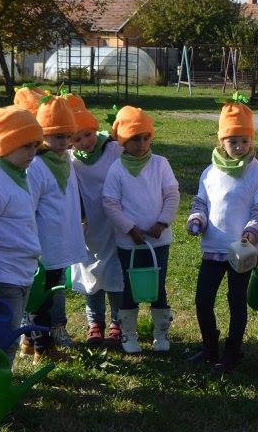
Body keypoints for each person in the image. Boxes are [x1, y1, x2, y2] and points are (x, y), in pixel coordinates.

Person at [186, 97, 258, 373]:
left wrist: (252, 232)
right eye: (233, 141)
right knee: (203, 299)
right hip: (213, 249)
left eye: (244, 141)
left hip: (243, 252)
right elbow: (201, 203)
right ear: (221, 141)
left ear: (252, 141)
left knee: (236, 301)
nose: (239, 147)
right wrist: (197, 219)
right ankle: (209, 346)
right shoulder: (209, 173)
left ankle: (232, 351)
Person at [102, 106, 180, 354]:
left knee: (158, 286)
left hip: (159, 240)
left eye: (146, 138)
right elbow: (110, 203)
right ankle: (129, 334)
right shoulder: (117, 168)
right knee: (130, 286)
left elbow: (172, 195)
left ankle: (161, 334)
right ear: (123, 141)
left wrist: (162, 222)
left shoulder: (160, 164)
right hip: (130, 242)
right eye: (135, 139)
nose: (142, 144)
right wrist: (130, 228)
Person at [0, 105, 44, 359]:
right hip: (3, 278)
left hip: (20, 273)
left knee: (10, 339)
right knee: (2, 342)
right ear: (5, 144)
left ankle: (1, 380)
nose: (33, 152)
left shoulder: (17, 174)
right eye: (25, 146)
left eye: (35, 145)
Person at [28, 95, 89, 358]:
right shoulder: (35, 165)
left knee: (50, 292)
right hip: (44, 242)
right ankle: (42, 346)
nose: (64, 142)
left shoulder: (65, 160)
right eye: (57, 136)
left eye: (67, 136)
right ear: (42, 135)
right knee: (41, 297)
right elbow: (28, 207)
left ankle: (30, 342)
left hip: (60, 238)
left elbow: (72, 193)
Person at [67, 96, 125, 346]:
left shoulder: (113, 150)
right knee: (90, 273)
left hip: (113, 222)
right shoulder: (70, 158)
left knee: (115, 272)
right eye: (77, 138)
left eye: (88, 134)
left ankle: (118, 322)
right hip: (88, 224)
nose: (85, 142)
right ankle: (95, 323)